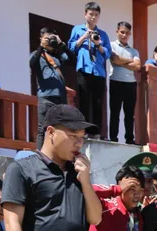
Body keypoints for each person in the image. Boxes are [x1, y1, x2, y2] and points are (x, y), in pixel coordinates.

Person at [69, 2, 111, 137]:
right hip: (84, 69)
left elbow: (107, 54)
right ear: (85, 14)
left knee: (98, 103)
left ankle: (96, 132)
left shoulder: (102, 34)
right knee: (84, 101)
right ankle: (84, 131)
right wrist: (84, 37)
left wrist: (97, 44)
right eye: (91, 14)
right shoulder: (77, 29)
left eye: (96, 15)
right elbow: (71, 48)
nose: (93, 17)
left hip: (98, 71)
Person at [30, 28, 70, 148]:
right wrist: (41, 47)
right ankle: (40, 155)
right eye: (47, 38)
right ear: (41, 38)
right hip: (46, 97)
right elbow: (32, 63)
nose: (49, 41)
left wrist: (61, 44)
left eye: (51, 38)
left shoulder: (58, 56)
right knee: (43, 128)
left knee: (60, 129)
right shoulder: (37, 54)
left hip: (61, 98)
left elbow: (71, 60)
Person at [108, 21, 141, 144]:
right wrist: (129, 61)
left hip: (131, 83)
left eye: (127, 33)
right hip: (116, 81)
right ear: (117, 32)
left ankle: (129, 139)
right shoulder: (111, 45)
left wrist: (121, 61)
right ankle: (113, 138)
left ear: (130, 34)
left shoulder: (134, 51)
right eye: (122, 32)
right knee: (115, 112)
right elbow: (114, 59)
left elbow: (137, 66)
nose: (124, 35)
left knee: (130, 113)